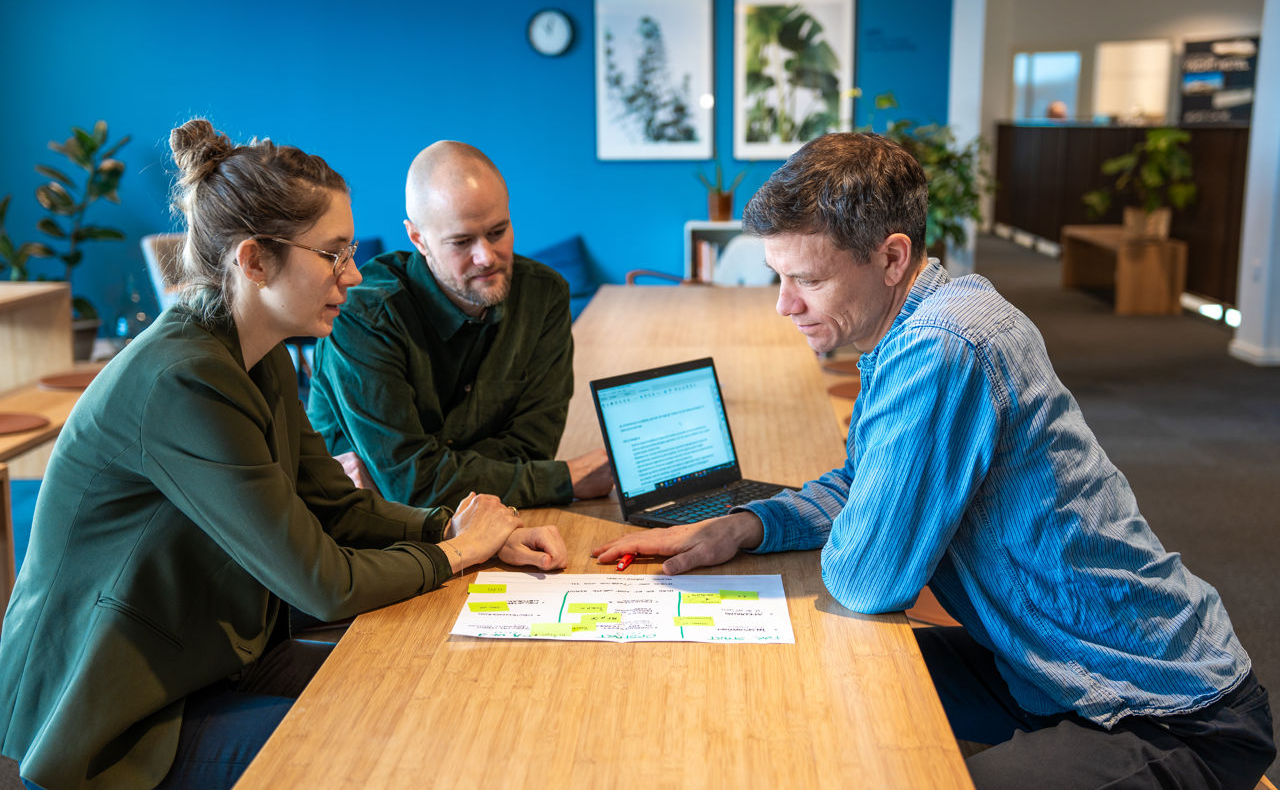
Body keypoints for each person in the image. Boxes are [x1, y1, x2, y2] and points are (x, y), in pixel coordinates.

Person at [593, 132, 1275, 788]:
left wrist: (861, 522)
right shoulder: (915, 327)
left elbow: (867, 579)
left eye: (805, 279)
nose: (783, 305)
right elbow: (868, 483)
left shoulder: (945, 345)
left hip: (1163, 713)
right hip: (1037, 669)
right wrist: (746, 525)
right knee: (805, 674)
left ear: (891, 259)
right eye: (778, 277)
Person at [0, 120, 568, 790]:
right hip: (116, 715)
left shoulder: (254, 354)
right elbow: (321, 582)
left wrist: (455, 527)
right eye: (332, 254)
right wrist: (459, 552)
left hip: (208, 659)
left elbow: (335, 505)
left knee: (448, 689)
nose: (353, 273)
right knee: (399, 752)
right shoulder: (183, 379)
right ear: (253, 260)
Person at [306, 141, 612, 509]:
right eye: (462, 241)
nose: (486, 257)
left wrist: (429, 474)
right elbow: (414, 486)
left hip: (486, 518)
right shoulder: (363, 315)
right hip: (359, 528)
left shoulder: (543, 297)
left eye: (498, 231)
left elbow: (532, 449)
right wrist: (563, 478)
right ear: (418, 238)